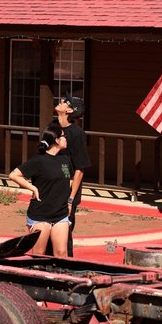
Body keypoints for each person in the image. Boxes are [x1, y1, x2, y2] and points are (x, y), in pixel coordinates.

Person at [8, 122, 73, 257]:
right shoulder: (39, 161)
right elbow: (14, 175)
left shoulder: (65, 160)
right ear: (56, 140)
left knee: (61, 253)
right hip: (40, 215)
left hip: (60, 214)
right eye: (63, 136)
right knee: (39, 254)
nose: (66, 138)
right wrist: (33, 188)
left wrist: (69, 200)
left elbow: (69, 180)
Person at [51, 94, 91, 257]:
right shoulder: (52, 126)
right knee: (46, 228)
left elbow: (79, 169)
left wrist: (70, 199)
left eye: (64, 102)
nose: (60, 101)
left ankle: (65, 268)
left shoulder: (77, 134)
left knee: (63, 232)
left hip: (67, 190)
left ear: (69, 110)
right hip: (49, 187)